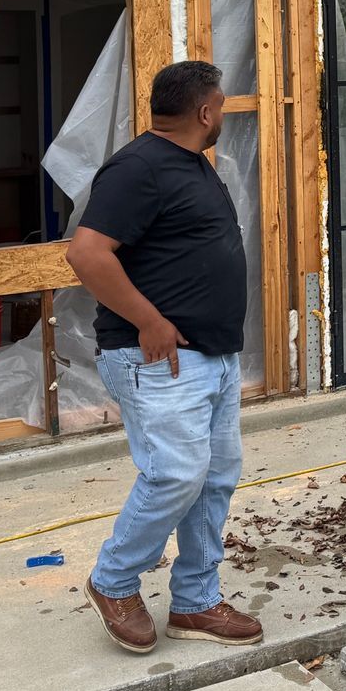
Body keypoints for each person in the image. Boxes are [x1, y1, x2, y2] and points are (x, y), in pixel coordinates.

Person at [64, 59, 262, 654]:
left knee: (214, 479)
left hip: (212, 356)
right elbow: (87, 253)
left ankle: (196, 602)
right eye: (221, 106)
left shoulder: (193, 166)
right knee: (175, 473)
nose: (223, 114)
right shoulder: (138, 168)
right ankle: (114, 580)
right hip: (157, 359)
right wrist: (148, 319)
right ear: (205, 112)